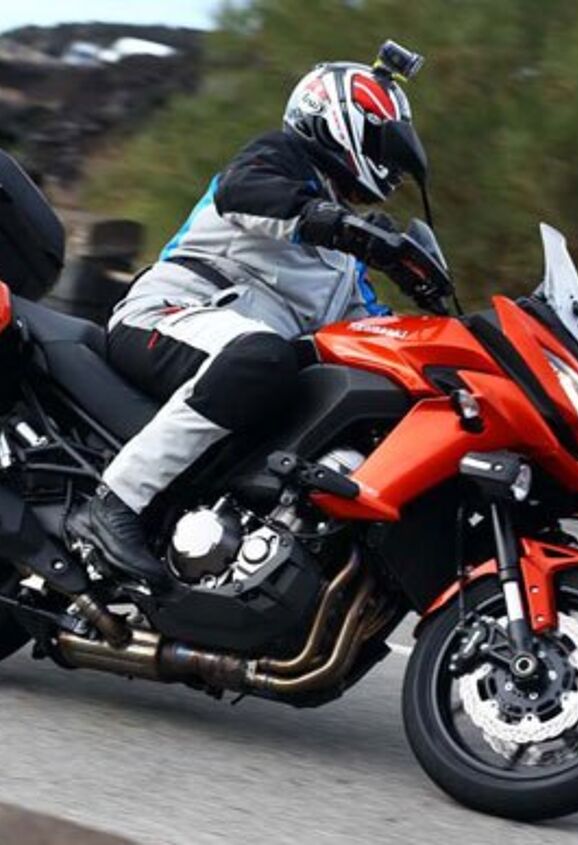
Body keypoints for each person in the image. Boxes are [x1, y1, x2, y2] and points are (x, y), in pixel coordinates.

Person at [72, 44, 432, 585]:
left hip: (233, 357)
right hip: (164, 315)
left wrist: (436, 333)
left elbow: (371, 329)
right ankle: (114, 502)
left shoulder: (345, 263)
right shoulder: (278, 160)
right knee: (263, 355)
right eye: (385, 147)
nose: (393, 168)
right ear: (341, 123)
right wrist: (341, 224)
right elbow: (246, 192)